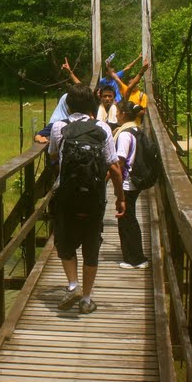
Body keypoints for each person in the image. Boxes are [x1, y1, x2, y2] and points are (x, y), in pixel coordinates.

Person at [48, 84, 125, 314]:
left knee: (65, 242)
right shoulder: (102, 128)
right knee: (91, 247)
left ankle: (72, 285)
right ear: (93, 104)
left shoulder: (59, 127)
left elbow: (53, 155)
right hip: (94, 197)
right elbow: (115, 167)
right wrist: (120, 198)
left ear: (68, 105)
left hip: (67, 196)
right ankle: (86, 299)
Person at [113, 101, 149, 269]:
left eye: (118, 112)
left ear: (123, 114)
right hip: (135, 181)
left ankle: (134, 259)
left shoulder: (124, 134)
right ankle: (136, 256)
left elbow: (119, 162)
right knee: (130, 218)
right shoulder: (136, 129)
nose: (116, 115)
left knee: (127, 220)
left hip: (127, 183)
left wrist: (115, 186)